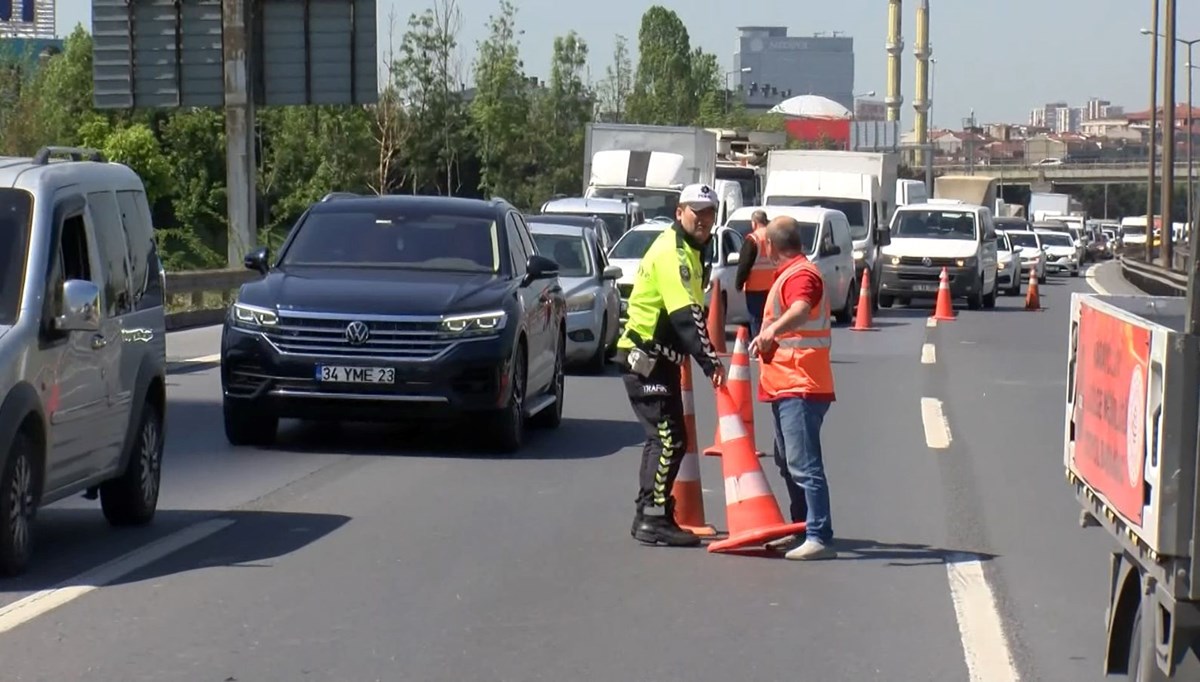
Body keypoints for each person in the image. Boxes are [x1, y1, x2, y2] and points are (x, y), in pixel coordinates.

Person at [615, 183, 726, 547]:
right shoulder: (673, 252)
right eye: (697, 213)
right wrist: (710, 362)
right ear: (680, 213)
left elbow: (693, 312)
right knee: (667, 438)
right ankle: (652, 518)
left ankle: (650, 515)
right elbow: (686, 317)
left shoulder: (693, 251)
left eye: (710, 214)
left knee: (668, 438)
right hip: (645, 357)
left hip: (660, 359)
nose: (704, 220)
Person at [748, 216, 837, 561]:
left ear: (770, 245)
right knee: (789, 461)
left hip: (800, 383)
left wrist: (771, 332)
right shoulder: (793, 273)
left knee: (803, 463)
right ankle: (802, 528)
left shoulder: (801, 275)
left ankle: (818, 534)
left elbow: (800, 309)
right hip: (788, 383)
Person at [734, 209, 774, 337]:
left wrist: (739, 283)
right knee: (770, 318)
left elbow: (744, 263)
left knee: (756, 319)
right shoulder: (774, 237)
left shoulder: (753, 239)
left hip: (755, 287)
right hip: (773, 286)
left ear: (754, 223)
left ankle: (758, 347)